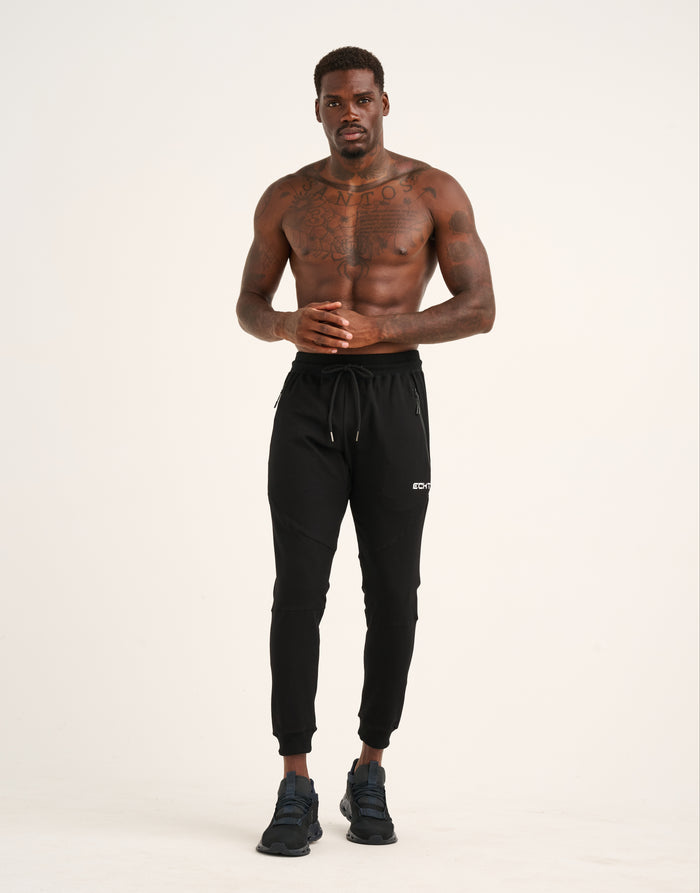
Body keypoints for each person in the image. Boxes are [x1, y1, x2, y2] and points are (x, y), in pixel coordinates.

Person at [236, 46, 495, 856]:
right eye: (334, 101)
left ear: (383, 102)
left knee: (393, 593)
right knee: (297, 593)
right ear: (318, 110)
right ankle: (295, 781)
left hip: (393, 399)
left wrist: (384, 327)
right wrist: (285, 324)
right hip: (309, 400)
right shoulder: (287, 196)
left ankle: (370, 767)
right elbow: (249, 303)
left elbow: (480, 307)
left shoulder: (431, 192)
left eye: (361, 98)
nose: (348, 112)